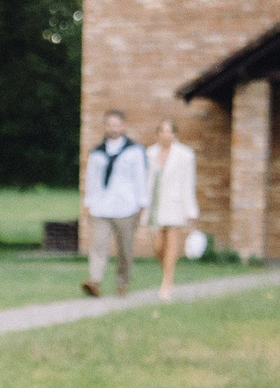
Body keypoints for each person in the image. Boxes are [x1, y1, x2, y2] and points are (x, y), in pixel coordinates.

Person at [83, 109, 149, 298]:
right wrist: (89, 204)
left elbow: (139, 178)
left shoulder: (134, 151)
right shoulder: (97, 153)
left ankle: (122, 283)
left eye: (117, 124)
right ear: (105, 126)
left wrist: (142, 202)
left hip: (126, 207)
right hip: (101, 207)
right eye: (110, 124)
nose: (113, 128)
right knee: (98, 245)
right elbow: (92, 180)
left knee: (125, 249)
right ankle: (94, 281)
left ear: (123, 126)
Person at [145, 118, 200, 300]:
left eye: (169, 131)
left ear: (175, 134)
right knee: (157, 245)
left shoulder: (185, 155)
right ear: (158, 134)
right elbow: (147, 183)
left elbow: (188, 184)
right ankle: (168, 274)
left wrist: (191, 211)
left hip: (175, 205)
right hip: (155, 206)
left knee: (171, 245)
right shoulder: (150, 154)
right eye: (162, 131)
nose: (166, 135)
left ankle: (166, 283)